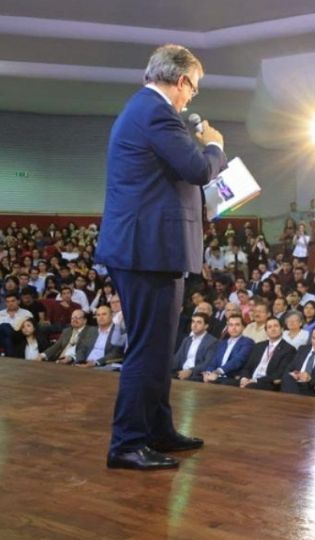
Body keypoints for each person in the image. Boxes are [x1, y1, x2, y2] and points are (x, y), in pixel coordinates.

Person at [97, 44, 227, 470]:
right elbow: (198, 169)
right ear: (181, 80)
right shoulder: (156, 112)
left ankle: (156, 430)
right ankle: (128, 443)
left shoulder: (143, 110)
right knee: (148, 350)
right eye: (194, 88)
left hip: (147, 247)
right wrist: (214, 146)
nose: (192, 97)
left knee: (155, 347)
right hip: (147, 249)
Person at [237, 318, 297, 390]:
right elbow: (247, 367)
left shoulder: (289, 349)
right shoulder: (258, 346)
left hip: (268, 383)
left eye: (276, 326)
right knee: (228, 382)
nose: (273, 329)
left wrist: (255, 381)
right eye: (269, 327)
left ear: (282, 329)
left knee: (250, 387)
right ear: (266, 331)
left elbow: (280, 373)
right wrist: (244, 378)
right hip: (250, 380)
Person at [198, 315, 255, 383]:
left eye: (237, 325)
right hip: (216, 377)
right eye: (231, 325)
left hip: (232, 377)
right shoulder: (222, 343)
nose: (234, 328)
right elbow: (213, 362)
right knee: (195, 380)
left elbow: (237, 361)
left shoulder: (247, 342)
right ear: (227, 327)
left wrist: (217, 372)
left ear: (243, 327)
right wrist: (208, 372)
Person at [172, 313, 218, 380]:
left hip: (196, 375)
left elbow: (207, 363)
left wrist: (190, 371)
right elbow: (177, 360)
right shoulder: (187, 340)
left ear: (206, 326)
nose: (194, 325)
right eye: (193, 322)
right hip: (181, 373)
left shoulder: (212, 341)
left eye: (199, 322)